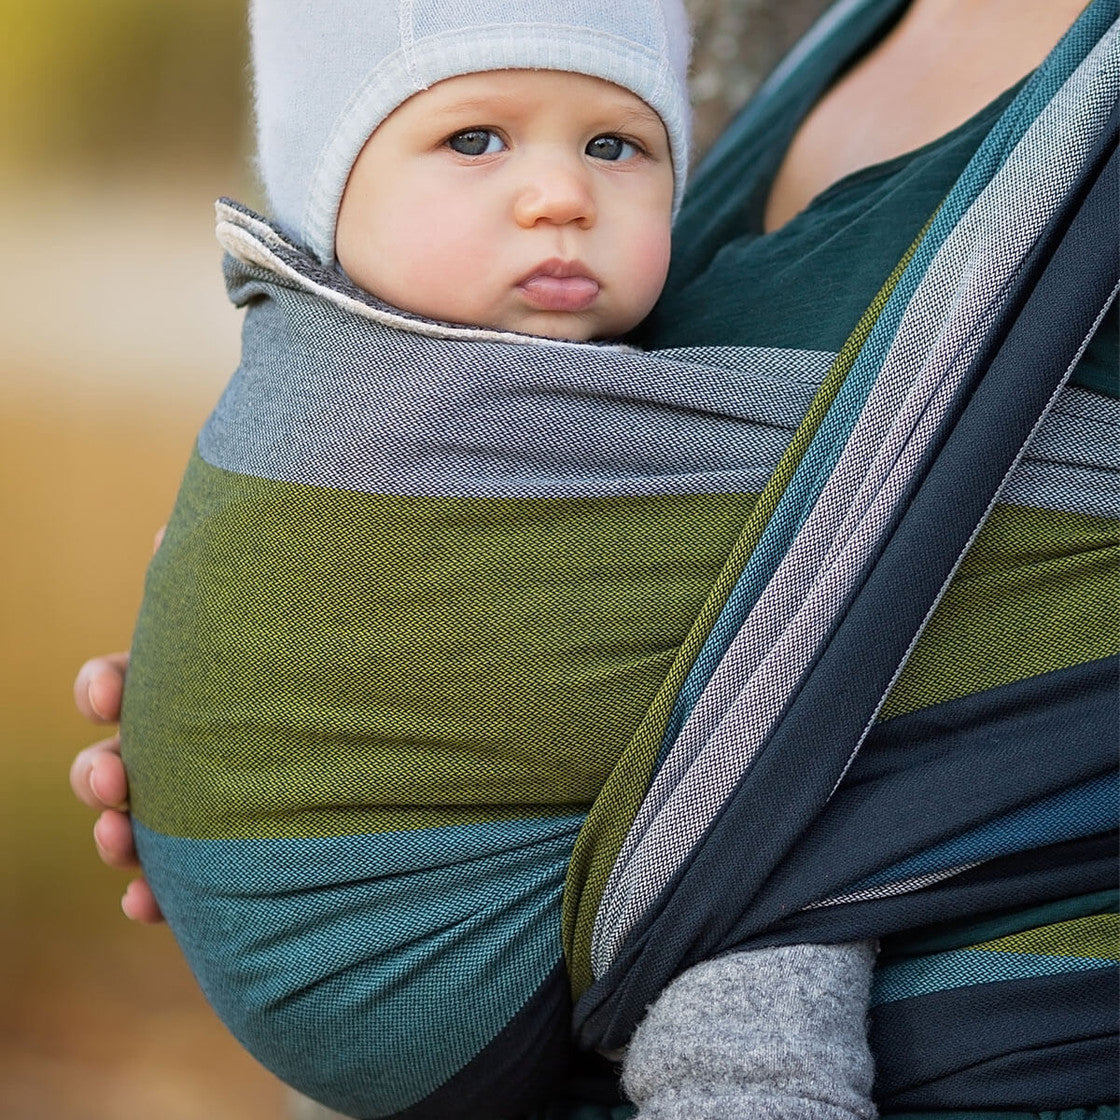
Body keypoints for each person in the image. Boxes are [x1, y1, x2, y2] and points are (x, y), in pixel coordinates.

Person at [72, 0, 1119, 1118]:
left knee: (758, 903)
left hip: (776, 900)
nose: (564, 193)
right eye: (474, 140)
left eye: (614, 146)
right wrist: (280, 658)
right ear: (329, 198)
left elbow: (822, 596)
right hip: (488, 916)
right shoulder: (822, 34)